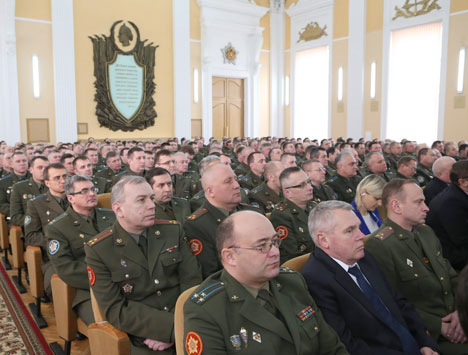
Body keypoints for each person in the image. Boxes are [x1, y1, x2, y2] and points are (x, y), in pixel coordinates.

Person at [183, 210, 349, 355]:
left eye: (275, 242)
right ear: (230, 257)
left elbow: (332, 348)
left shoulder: (292, 282)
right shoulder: (207, 310)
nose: (275, 252)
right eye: (262, 246)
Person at [302, 201, 439, 355]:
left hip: (414, 343)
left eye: (358, 227)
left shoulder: (364, 257)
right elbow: (347, 343)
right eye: (349, 231)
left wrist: (425, 342)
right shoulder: (315, 279)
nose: (361, 236)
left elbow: (399, 303)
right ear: (323, 240)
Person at [85, 176, 202, 354]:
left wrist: (180, 325)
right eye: (141, 200)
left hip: (187, 319)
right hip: (141, 335)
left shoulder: (172, 231)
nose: (152, 205)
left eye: (151, 198)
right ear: (118, 209)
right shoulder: (100, 249)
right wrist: (168, 329)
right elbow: (115, 308)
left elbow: (191, 282)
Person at [365, 179, 468, 354]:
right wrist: (438, 326)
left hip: (458, 319)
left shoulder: (425, 232)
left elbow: (450, 276)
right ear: (397, 206)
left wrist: (461, 312)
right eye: (419, 202)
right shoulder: (380, 245)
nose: (426, 208)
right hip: (428, 333)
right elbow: (391, 303)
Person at [46, 175, 115, 325]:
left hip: (125, 280)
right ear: (71, 198)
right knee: (111, 326)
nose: (91, 193)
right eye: (84, 191)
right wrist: (106, 278)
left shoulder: (112, 216)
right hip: (89, 290)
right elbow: (67, 268)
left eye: (93, 189)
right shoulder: (58, 228)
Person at [183, 164, 262, 278]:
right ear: (211, 191)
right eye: (228, 181)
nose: (236, 185)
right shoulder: (197, 225)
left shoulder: (254, 212)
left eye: (235, 179)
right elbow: (212, 274)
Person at [25, 163, 69, 299]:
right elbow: (31, 236)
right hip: (53, 256)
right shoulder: (37, 204)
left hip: (82, 253)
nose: (63, 181)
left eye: (65, 176)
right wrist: (58, 243)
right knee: (57, 288)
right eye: (57, 178)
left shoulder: (77, 198)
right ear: (47, 183)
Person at [426, 160, 468, 271]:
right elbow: (461, 239)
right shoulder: (451, 202)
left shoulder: (459, 192)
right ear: (463, 182)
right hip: (453, 254)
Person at [269, 167, 316, 264]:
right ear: (287, 192)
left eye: (309, 182)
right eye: (302, 185)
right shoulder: (281, 216)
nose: (310, 187)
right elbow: (292, 257)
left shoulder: (315, 207)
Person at [10, 156, 48, 226]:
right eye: (40, 168)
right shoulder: (19, 188)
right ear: (31, 170)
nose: (43, 170)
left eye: (46, 168)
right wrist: (39, 221)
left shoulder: (54, 186)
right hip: (32, 228)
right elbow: (15, 217)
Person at [0, 151, 31, 217]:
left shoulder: (34, 178)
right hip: (15, 217)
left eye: (24, 160)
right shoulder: (3, 182)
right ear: (11, 164)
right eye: (18, 161)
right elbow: (2, 204)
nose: (22, 163)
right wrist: (16, 213)